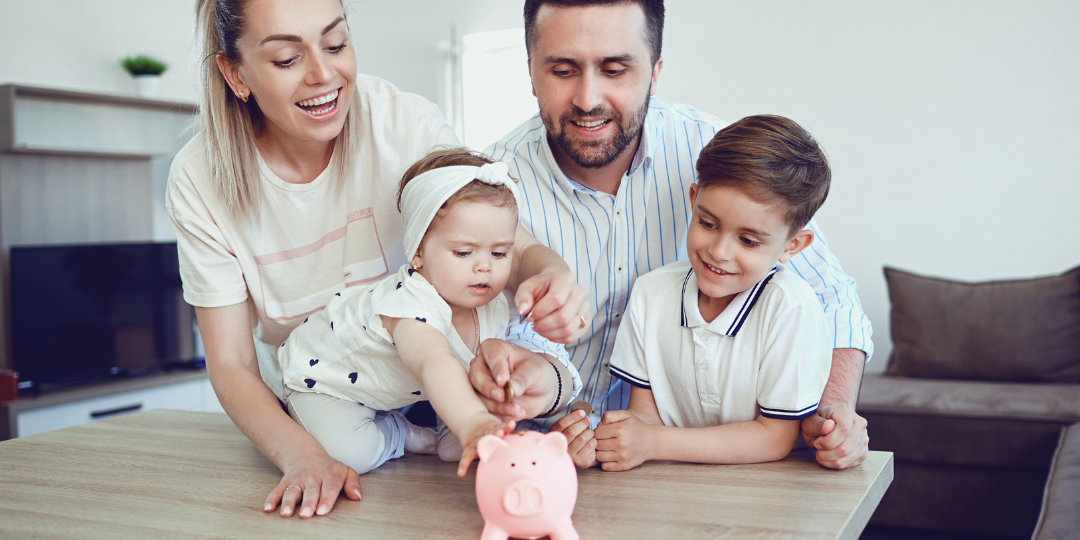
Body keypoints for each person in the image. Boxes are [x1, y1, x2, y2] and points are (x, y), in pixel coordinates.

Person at [170, 0, 587, 519]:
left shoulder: (402, 122)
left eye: (336, 43)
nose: (324, 75)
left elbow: (507, 242)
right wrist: (305, 457)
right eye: (285, 60)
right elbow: (231, 363)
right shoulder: (200, 179)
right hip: (325, 395)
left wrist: (548, 272)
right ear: (235, 74)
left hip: (423, 389)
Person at [471, 0, 872, 471]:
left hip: (690, 464)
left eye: (615, 69)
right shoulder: (490, 185)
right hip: (536, 459)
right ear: (531, 71)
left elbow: (833, 297)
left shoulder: (717, 154)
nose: (587, 99)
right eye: (562, 70)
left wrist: (835, 412)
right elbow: (476, 334)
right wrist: (547, 405)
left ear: (655, 71)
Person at [590, 115, 833, 470]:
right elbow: (644, 415)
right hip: (668, 489)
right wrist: (614, 439)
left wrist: (653, 442)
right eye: (707, 223)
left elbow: (775, 436)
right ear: (693, 200)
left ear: (793, 245)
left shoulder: (791, 308)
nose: (719, 251)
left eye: (748, 241)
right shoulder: (650, 293)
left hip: (763, 495)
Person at [281, 149, 534, 477]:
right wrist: (472, 421)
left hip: (396, 387)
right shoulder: (410, 303)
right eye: (463, 252)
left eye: (499, 252)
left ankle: (448, 430)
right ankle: (401, 433)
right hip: (324, 383)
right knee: (349, 455)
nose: (485, 266)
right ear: (417, 253)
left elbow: (467, 369)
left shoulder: (493, 302)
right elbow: (434, 362)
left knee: (467, 429)